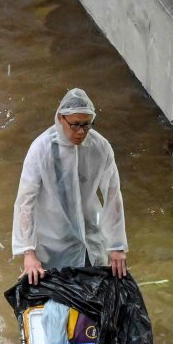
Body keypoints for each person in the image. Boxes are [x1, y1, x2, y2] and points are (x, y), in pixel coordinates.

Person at [12, 89, 128, 285]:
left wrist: (116, 246)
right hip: (51, 244)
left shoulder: (100, 147)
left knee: (92, 302)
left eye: (87, 124)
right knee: (56, 305)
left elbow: (112, 195)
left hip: (89, 239)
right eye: (75, 125)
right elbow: (25, 202)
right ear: (60, 118)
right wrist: (29, 254)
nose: (81, 131)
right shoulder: (42, 149)